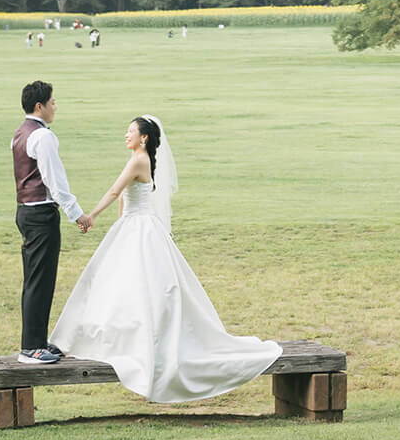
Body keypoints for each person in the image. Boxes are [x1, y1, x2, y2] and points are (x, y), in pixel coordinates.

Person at [53, 114, 281, 404]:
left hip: (139, 226)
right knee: (125, 282)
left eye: (131, 131)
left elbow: (115, 190)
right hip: (135, 224)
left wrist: (92, 216)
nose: (126, 135)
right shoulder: (139, 158)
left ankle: (134, 340)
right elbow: (125, 197)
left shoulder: (138, 160)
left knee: (134, 283)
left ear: (144, 137)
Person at [11, 81, 91, 365]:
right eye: (53, 102)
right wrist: (76, 213)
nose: (55, 107)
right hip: (41, 213)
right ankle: (31, 348)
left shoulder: (20, 133)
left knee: (36, 280)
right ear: (39, 106)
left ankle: (34, 341)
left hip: (25, 211)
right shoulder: (43, 137)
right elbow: (54, 180)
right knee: (40, 282)